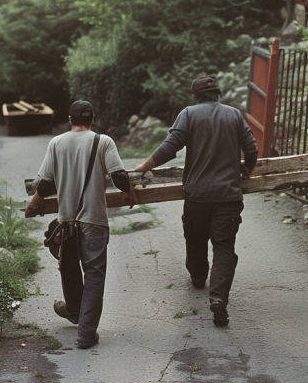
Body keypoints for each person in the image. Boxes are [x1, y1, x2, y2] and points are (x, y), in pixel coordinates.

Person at [134, 75, 258, 327]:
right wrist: (248, 169)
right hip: (228, 196)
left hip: (197, 195)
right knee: (224, 246)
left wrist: (143, 167)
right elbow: (252, 148)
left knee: (195, 236)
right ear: (218, 94)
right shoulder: (234, 115)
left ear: (196, 96)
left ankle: (199, 277)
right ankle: (218, 299)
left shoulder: (189, 114)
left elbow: (171, 147)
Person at [25, 100, 137, 349]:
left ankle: (76, 312)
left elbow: (44, 184)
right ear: (93, 119)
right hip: (95, 221)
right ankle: (85, 332)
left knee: (70, 268)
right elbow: (118, 175)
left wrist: (36, 201)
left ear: (70, 119)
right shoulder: (103, 141)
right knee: (94, 275)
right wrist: (129, 192)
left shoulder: (56, 143)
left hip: (67, 222)